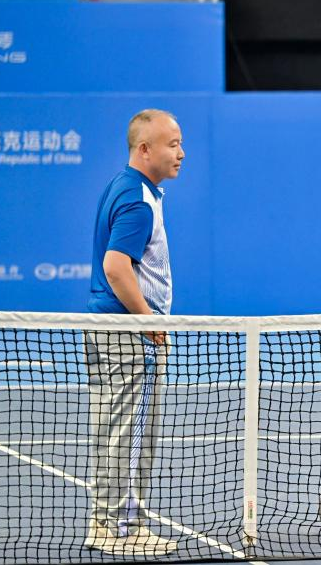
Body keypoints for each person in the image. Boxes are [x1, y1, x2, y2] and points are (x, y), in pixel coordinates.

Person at [83, 109, 185, 556]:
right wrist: (148, 319)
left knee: (117, 430)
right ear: (145, 149)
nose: (181, 153)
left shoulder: (126, 187)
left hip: (114, 330)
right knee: (127, 433)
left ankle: (112, 522)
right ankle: (117, 527)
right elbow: (116, 266)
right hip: (129, 333)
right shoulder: (137, 199)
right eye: (172, 144)